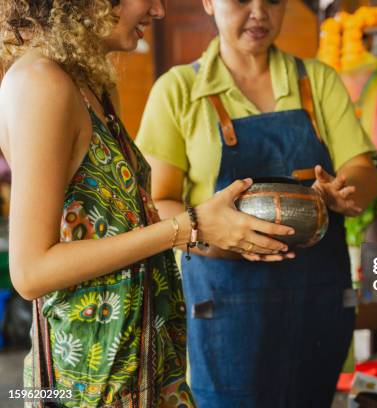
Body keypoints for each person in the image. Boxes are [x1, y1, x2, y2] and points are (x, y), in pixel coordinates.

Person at [0, 1, 294, 406]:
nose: (158, 11)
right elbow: (31, 271)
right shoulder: (39, 83)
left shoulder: (93, 84)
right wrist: (187, 226)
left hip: (144, 365)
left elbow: (120, 224)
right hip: (88, 382)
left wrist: (218, 228)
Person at [135, 0, 377, 406]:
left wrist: (343, 189)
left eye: (273, 1)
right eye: (241, 0)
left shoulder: (318, 81)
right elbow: (156, 203)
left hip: (314, 303)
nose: (259, 13)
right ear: (210, 3)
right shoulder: (177, 90)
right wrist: (206, 229)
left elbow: (363, 171)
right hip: (222, 309)